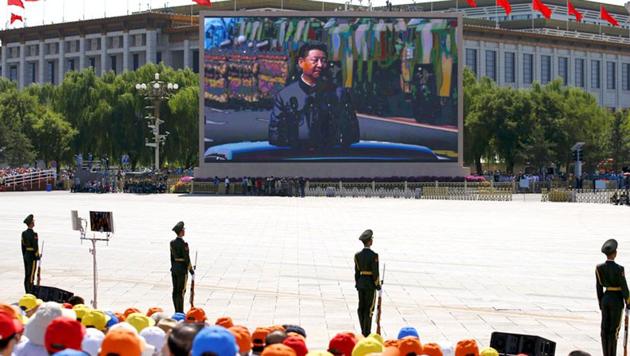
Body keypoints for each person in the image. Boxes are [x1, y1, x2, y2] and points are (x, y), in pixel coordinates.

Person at [268, 41, 359, 150]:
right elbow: (275, 135)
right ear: (301, 62)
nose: (320, 65)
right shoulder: (285, 96)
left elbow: (352, 133)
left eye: (324, 61)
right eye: (315, 60)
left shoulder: (339, 94)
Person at [596, 238, 630, 356]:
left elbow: (598, 287)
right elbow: (624, 287)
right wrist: (628, 301)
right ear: (615, 253)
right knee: (613, 331)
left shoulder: (599, 268)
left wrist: (601, 302)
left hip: (605, 299)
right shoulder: (619, 269)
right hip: (616, 300)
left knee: (604, 330)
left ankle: (606, 354)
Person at [354, 229, 380, 337]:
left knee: (361, 308)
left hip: (361, 284)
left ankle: (362, 329)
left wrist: (357, 283)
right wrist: (377, 284)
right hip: (370, 285)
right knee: (369, 309)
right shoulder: (374, 255)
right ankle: (367, 331)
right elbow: (375, 272)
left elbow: (357, 272)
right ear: (369, 242)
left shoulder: (357, 255)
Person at [170, 221, 194, 313]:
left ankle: (176, 310)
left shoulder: (172, 243)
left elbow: (171, 257)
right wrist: (191, 269)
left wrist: (173, 267)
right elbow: (186, 258)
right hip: (182, 270)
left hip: (174, 269)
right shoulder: (184, 244)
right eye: (183, 229)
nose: (184, 231)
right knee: (181, 291)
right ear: (180, 232)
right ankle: (180, 311)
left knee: (175, 290)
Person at [21, 214, 40, 294]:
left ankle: (27, 290)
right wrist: (37, 255)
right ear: (31, 223)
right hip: (32, 256)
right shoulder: (34, 234)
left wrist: (24, 255)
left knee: (27, 274)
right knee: (32, 275)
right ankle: (30, 291)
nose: (34, 222)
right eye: (33, 221)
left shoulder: (23, 233)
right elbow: (35, 246)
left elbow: (22, 246)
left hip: (26, 255)